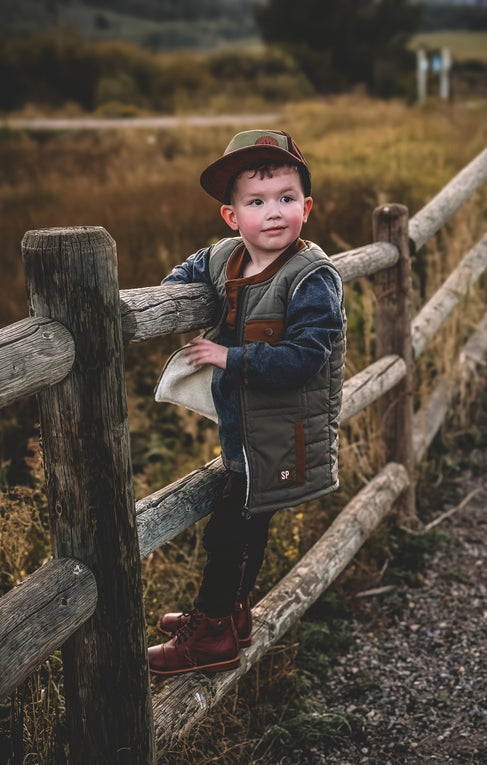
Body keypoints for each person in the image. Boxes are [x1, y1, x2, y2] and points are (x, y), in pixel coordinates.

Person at [148, 129, 346, 676]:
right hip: (244, 432)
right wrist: (170, 300)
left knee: (229, 532)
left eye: (286, 198)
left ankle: (210, 632)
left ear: (306, 207)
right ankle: (231, 615)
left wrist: (230, 357)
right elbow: (187, 274)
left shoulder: (311, 279)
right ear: (232, 216)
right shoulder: (226, 257)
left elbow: (305, 357)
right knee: (246, 525)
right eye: (256, 202)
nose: (274, 212)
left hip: (280, 433)